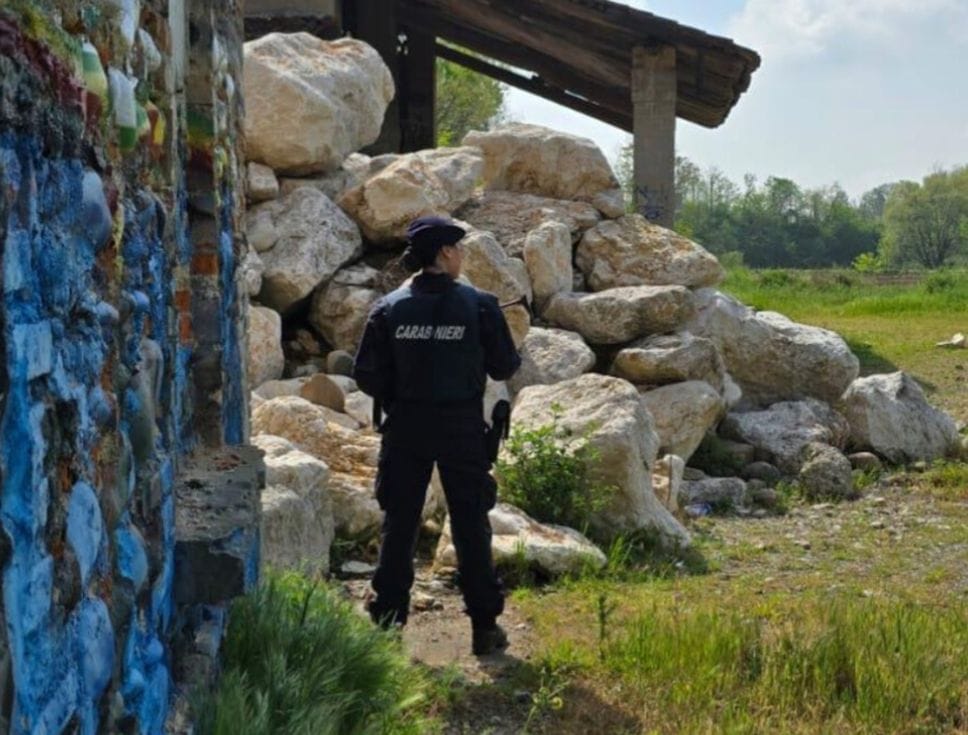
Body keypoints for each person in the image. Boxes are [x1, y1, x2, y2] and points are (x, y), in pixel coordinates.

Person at [353, 215, 521, 656]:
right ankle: (484, 627)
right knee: (470, 524)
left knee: (400, 523)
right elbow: (505, 367)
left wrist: (402, 391)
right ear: (446, 253)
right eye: (459, 249)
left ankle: (387, 625)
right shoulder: (480, 305)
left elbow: (366, 375)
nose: (462, 255)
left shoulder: (389, 308)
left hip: (406, 426)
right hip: (461, 427)